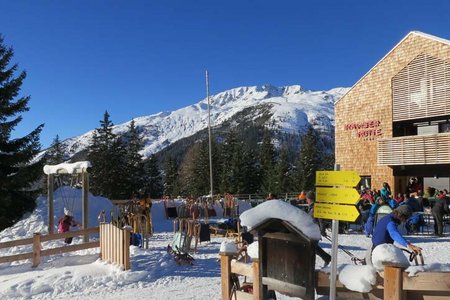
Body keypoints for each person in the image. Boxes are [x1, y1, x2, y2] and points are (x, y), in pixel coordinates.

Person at [306, 191, 331, 267]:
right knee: (313, 248)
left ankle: (311, 265)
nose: (306, 200)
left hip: (315, 231)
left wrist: (322, 231)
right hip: (310, 231)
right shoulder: (310, 207)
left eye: (307, 198)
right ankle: (327, 258)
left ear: (310, 199)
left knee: (312, 248)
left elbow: (321, 220)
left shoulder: (315, 208)